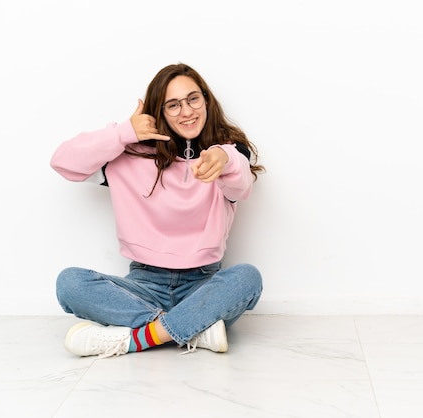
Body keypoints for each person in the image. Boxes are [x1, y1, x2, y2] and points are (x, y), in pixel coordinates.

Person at [50, 63, 265, 358]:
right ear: (159, 112)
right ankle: (194, 329)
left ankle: (135, 339)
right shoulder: (129, 157)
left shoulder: (228, 155)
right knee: (69, 283)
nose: (187, 111)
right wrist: (124, 132)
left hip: (203, 285)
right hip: (143, 285)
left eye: (193, 99)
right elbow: (63, 162)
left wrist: (223, 157)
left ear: (206, 99)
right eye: (173, 105)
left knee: (246, 278)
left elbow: (241, 184)